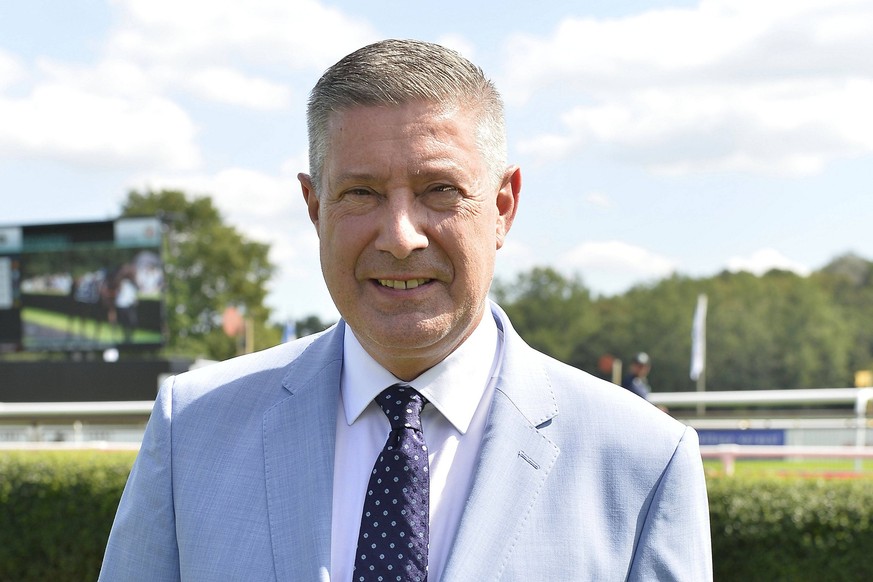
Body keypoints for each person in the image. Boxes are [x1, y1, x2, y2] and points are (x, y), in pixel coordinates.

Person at [99, 39, 712, 581]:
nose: (400, 236)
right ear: (314, 207)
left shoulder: (644, 462)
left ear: (503, 205)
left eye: (438, 190)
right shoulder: (194, 431)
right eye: (360, 192)